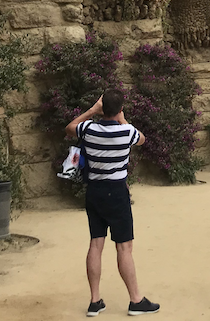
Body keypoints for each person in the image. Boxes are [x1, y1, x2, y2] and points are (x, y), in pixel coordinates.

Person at [64, 90, 160, 317]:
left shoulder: (89, 129)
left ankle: (95, 301)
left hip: (94, 191)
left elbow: (70, 128)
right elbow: (142, 139)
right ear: (119, 109)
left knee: (95, 244)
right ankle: (136, 300)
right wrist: (121, 118)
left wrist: (91, 111)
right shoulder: (127, 132)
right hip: (117, 192)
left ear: (101, 107)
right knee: (124, 247)